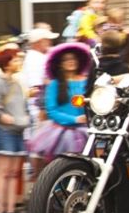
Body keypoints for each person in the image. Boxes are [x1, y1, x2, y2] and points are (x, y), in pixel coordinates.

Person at [27, 43, 91, 174]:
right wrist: (75, 119)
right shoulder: (55, 84)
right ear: (60, 64)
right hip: (61, 134)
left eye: (73, 59)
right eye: (66, 60)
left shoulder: (86, 82)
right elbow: (51, 111)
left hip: (85, 131)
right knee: (59, 169)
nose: (71, 62)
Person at [0, 49, 28, 213]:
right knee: (3, 171)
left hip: (18, 129)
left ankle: (10, 210)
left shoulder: (17, 82)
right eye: (15, 60)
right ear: (6, 63)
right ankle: (0, 209)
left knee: (13, 172)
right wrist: (3, 116)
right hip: (3, 129)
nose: (18, 62)